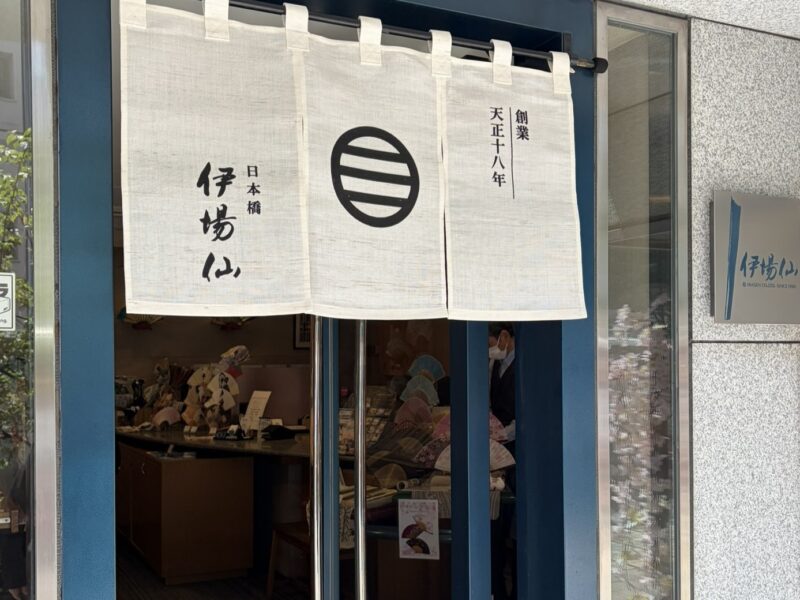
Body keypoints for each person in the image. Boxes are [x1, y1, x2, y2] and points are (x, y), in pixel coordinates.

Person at [488, 322, 515, 427]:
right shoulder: (495, 363)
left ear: (504, 337)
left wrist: (507, 432)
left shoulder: (524, 367)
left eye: (489, 345)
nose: (488, 350)